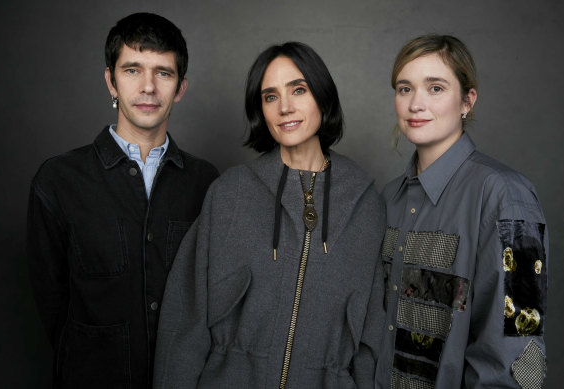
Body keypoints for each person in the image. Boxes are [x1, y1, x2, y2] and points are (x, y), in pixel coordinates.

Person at [153, 42, 386, 388]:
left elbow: (372, 338)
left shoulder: (366, 205)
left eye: (299, 90)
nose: (285, 108)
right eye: (270, 96)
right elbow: (185, 317)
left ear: (323, 96)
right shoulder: (229, 193)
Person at [27, 12, 219, 389]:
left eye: (163, 73)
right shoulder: (59, 180)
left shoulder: (207, 182)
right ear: (110, 81)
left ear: (180, 87)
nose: (148, 87)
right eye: (132, 70)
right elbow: (53, 301)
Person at [375, 34, 548, 388]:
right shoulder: (389, 198)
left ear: (467, 101)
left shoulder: (507, 196)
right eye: (404, 89)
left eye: (435, 88)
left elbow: (518, 348)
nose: (415, 104)